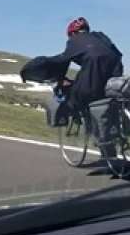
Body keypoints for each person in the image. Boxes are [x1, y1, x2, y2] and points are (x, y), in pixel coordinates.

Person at [46, 17, 124, 157]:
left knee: (80, 99)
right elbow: (117, 54)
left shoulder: (74, 41)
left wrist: (60, 79)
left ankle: (98, 136)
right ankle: (110, 141)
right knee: (104, 102)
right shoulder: (100, 37)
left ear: (73, 33)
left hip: (93, 74)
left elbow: (64, 61)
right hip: (115, 73)